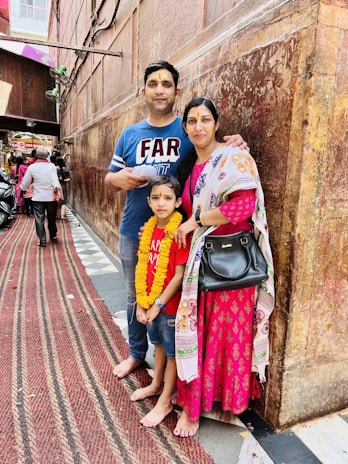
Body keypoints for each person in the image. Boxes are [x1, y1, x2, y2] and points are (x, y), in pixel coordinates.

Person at [105, 60, 248, 380]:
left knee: (173, 300)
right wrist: (116, 181)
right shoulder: (129, 135)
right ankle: (136, 354)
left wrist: (234, 142)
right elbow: (108, 177)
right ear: (143, 91)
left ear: (176, 91)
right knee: (134, 295)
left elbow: (214, 149)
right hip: (135, 230)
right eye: (153, 83)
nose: (159, 90)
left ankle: (171, 367)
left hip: (179, 235)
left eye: (166, 84)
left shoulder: (186, 129)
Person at [173, 97, 275, 437]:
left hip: (232, 265)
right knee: (199, 332)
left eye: (205, 119)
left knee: (227, 336)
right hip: (199, 263)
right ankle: (193, 405)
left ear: (217, 123)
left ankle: (226, 400)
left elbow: (242, 207)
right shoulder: (188, 165)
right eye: (191, 121)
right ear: (185, 127)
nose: (198, 126)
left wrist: (195, 221)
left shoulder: (233, 157)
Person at [131, 175, 190, 427]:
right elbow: (142, 266)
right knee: (157, 344)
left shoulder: (178, 233)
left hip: (170, 306)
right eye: (156, 198)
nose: (161, 203)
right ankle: (156, 385)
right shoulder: (148, 231)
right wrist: (142, 302)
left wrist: (157, 305)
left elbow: (178, 276)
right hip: (151, 303)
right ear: (149, 201)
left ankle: (166, 399)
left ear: (178, 202)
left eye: (167, 198)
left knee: (172, 352)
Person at [21, 147, 61, 247]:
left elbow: (25, 182)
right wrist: (57, 189)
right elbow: (55, 180)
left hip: (38, 197)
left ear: (37, 155)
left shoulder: (32, 167)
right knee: (51, 218)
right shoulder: (51, 166)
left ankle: (42, 240)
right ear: (47, 155)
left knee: (39, 219)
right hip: (50, 197)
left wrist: (23, 189)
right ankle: (53, 235)